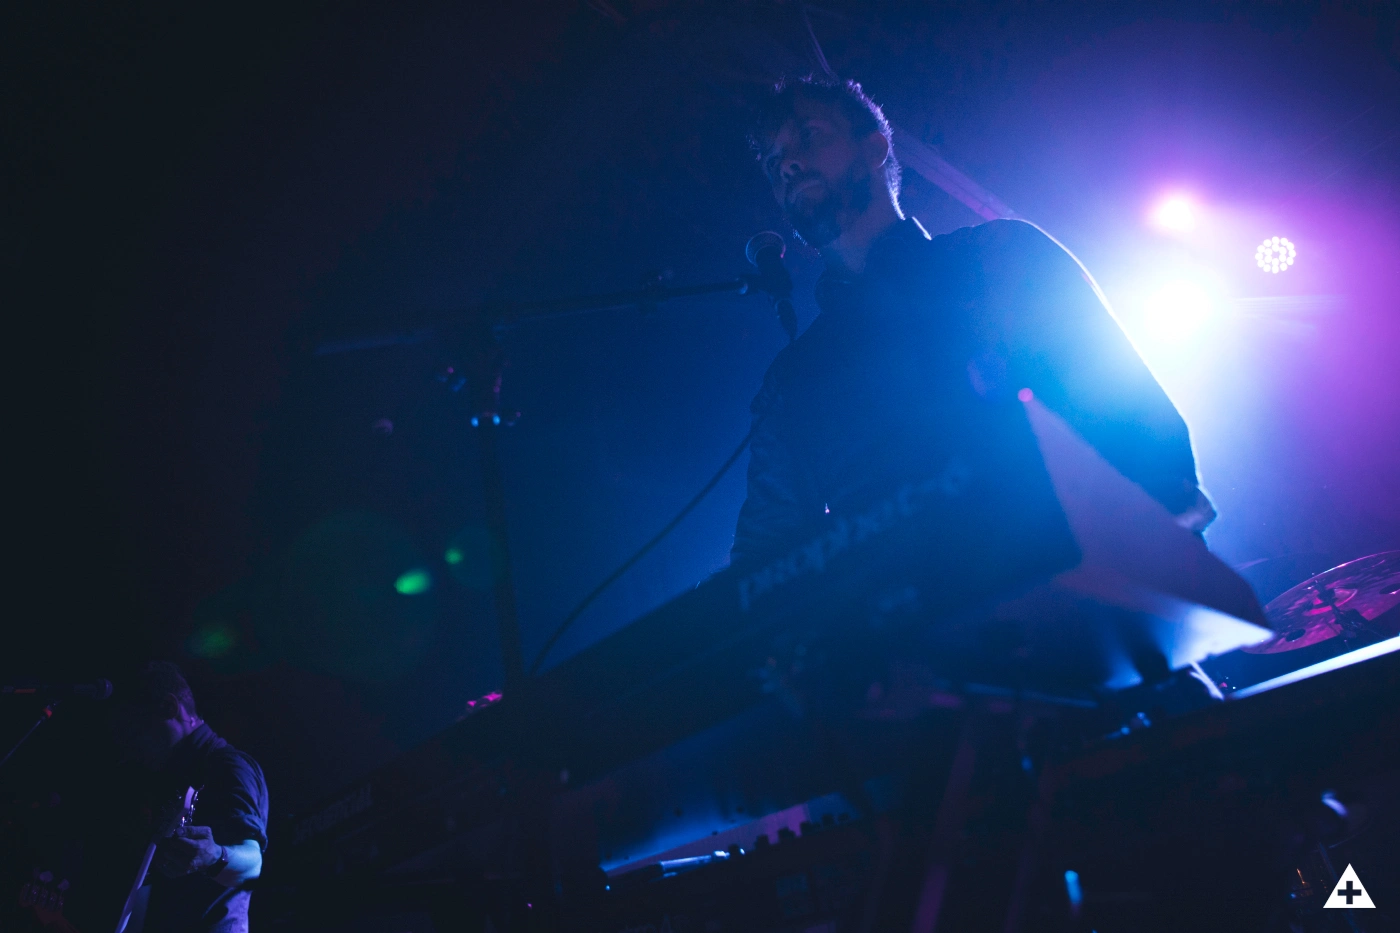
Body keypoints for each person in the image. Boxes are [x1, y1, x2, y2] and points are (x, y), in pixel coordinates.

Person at [732, 75, 1217, 568]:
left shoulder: (1004, 256)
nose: (789, 164)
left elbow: (1138, 423)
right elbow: (762, 561)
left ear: (875, 148)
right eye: (774, 162)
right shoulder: (792, 379)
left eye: (809, 136)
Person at [110, 662, 268, 933]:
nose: (130, 749)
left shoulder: (228, 766)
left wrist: (216, 856)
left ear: (169, 707)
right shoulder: (169, 779)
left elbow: (253, 865)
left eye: (134, 733)